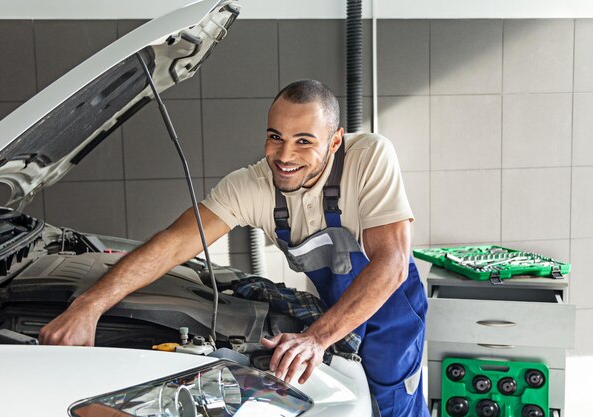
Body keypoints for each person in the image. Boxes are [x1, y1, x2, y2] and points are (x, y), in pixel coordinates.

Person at [39, 79, 429, 417]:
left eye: (304, 142)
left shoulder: (369, 157)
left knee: (394, 404)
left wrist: (315, 338)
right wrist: (89, 305)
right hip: (338, 313)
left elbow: (391, 264)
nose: (285, 156)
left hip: (393, 315)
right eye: (275, 137)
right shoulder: (251, 185)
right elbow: (173, 244)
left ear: (336, 140)